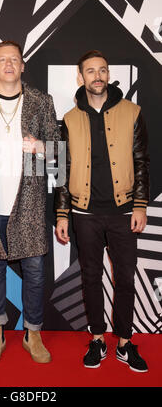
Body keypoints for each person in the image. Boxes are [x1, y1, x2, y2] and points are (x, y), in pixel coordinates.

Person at [0, 40, 60, 364]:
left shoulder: (41, 102)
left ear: (22, 66)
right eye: (2, 59)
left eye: (14, 59)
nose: (8, 64)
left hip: (30, 202)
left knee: (34, 270)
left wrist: (41, 149)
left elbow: (58, 151)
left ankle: (32, 332)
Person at [55, 50, 150, 372]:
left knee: (125, 279)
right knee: (90, 278)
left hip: (124, 212)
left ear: (108, 75)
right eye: (91, 71)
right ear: (81, 77)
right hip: (84, 214)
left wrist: (139, 205)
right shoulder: (69, 118)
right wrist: (62, 214)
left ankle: (124, 342)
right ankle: (97, 338)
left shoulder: (132, 112)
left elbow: (141, 162)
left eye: (103, 70)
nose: (97, 76)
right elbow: (62, 171)